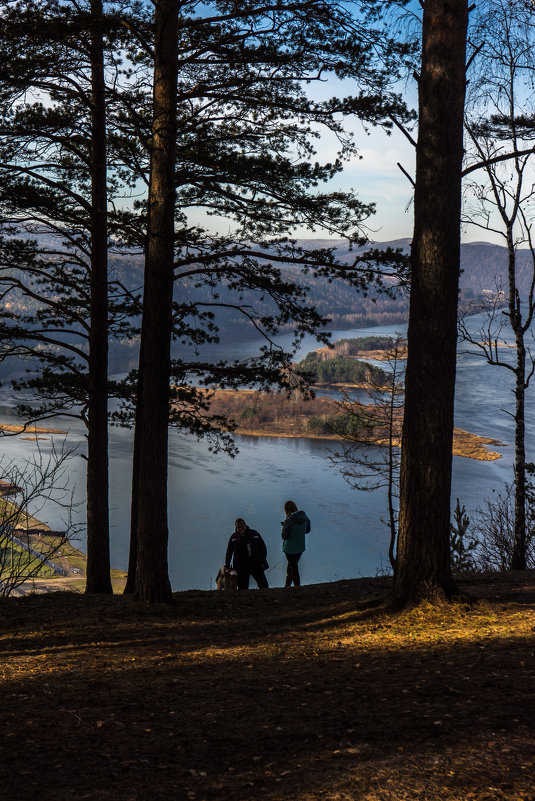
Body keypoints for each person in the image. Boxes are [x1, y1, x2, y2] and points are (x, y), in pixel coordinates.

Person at [225, 518, 269, 590]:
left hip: (255, 564)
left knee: (264, 586)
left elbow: (263, 549)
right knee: (242, 589)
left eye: (242, 526)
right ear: (236, 528)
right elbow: (229, 553)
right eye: (238, 527)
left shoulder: (254, 534)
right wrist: (227, 566)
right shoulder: (233, 538)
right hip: (241, 566)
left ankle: (267, 599)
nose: (240, 529)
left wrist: (262, 562)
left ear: (245, 525)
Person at [281, 500, 311, 587]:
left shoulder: (288, 521)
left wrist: (285, 526)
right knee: (291, 566)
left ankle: (297, 587)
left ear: (286, 509)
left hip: (289, 548)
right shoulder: (305, 518)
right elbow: (307, 530)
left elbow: (284, 536)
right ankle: (287, 586)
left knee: (293, 567)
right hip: (300, 547)